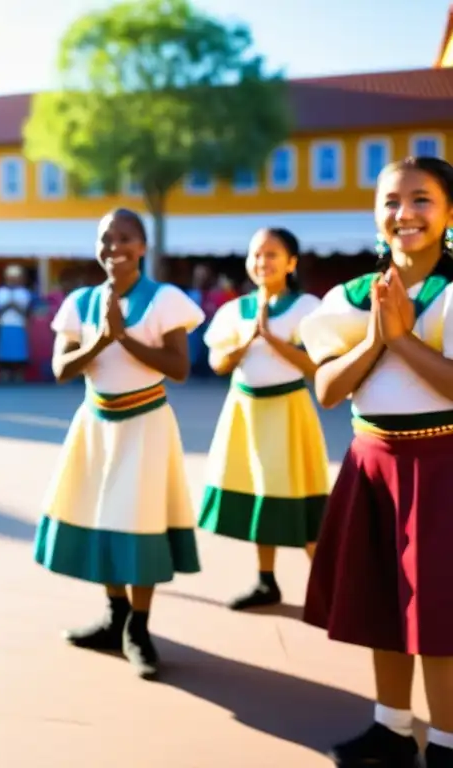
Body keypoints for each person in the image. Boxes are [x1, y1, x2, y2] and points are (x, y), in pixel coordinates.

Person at [301, 157, 453, 768]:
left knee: (439, 612)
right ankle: (391, 727)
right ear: (375, 215)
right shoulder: (351, 297)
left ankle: (444, 741)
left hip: (441, 464)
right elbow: (329, 390)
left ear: (448, 213)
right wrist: (374, 338)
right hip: (372, 462)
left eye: (421, 200)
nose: (404, 213)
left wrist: (403, 340)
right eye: (391, 201)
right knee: (383, 602)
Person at [34, 208, 204, 680]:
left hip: (146, 423)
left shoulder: (164, 299)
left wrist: (123, 337)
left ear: (143, 247)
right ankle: (115, 615)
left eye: (125, 238)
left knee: (141, 520)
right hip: (96, 423)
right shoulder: (81, 302)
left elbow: (179, 367)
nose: (114, 248)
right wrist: (101, 339)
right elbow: (61, 369)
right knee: (105, 517)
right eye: (106, 239)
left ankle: (140, 627)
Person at [199, 228, 328, 610]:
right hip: (246, 411)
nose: (262, 262)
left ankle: (329, 586)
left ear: (291, 263)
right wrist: (245, 342)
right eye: (256, 254)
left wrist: (272, 340)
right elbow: (217, 363)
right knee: (260, 494)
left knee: (300, 497)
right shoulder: (233, 311)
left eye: (272, 255)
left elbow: (316, 366)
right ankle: (266, 581)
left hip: (287, 411)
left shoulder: (308, 307)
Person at [0, 264, 33, 381]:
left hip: (19, 324)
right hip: (4, 324)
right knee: (4, 350)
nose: (13, 280)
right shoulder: (0, 292)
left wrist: (15, 306)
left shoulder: (24, 292)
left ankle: (18, 373)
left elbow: (27, 311)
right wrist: (8, 305)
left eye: (16, 278)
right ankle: (5, 372)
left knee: (19, 350)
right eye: (11, 277)